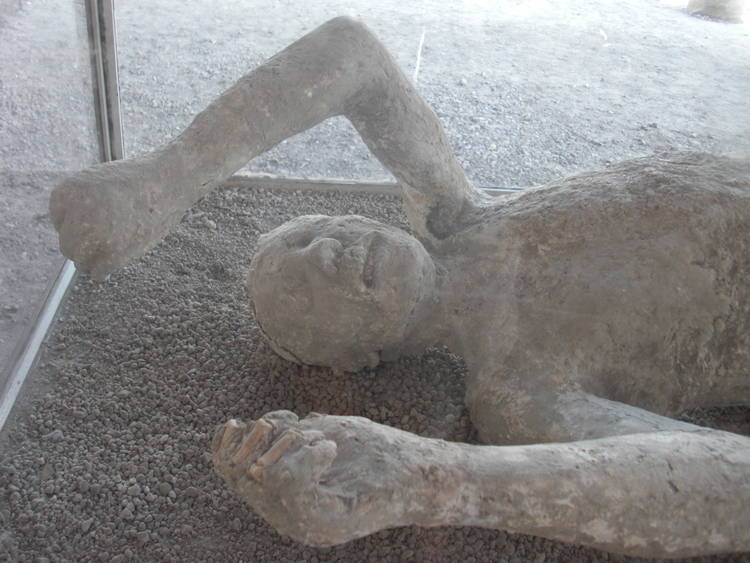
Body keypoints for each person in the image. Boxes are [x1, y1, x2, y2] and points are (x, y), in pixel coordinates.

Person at [50, 17, 750, 558]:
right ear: (357, 361)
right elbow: (731, 481)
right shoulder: (521, 392)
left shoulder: (454, 213)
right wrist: (429, 477)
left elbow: (351, 55)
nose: (326, 252)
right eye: (305, 290)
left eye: (307, 234)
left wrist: (168, 177)